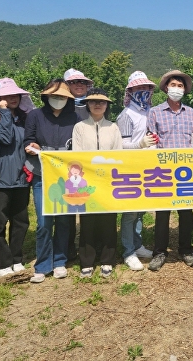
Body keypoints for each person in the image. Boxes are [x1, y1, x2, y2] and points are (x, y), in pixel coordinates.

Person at [24, 79, 78, 283]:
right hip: (41, 174)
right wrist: (30, 145)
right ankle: (42, 264)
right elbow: (27, 139)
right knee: (44, 220)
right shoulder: (35, 116)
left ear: (68, 99)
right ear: (46, 97)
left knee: (64, 219)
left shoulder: (74, 118)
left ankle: (60, 261)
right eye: (54, 96)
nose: (58, 100)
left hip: (66, 176)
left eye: (62, 97)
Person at [146, 70, 193, 271]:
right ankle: (159, 252)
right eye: (173, 85)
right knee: (162, 213)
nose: (176, 88)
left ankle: (185, 250)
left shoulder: (191, 113)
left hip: (186, 172)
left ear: (185, 90)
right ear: (166, 88)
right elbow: (152, 142)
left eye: (180, 85)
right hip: (163, 171)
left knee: (187, 213)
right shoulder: (155, 112)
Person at [0, 78, 34, 277]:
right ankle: (2, 263)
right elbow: (5, 138)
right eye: (7, 95)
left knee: (21, 221)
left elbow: (28, 140)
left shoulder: (25, 118)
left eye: (15, 94)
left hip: (21, 177)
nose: (13, 98)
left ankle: (16, 258)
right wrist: (4, 112)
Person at [72, 88, 123, 278]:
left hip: (108, 181)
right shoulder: (79, 127)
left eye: (102, 102)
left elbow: (118, 154)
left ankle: (108, 260)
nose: (98, 104)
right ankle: (86, 261)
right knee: (87, 221)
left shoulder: (113, 127)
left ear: (107, 105)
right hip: (86, 182)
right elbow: (77, 155)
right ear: (87, 104)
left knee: (109, 221)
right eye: (93, 101)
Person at [116, 71, 157, 271]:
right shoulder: (126, 115)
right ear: (130, 91)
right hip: (131, 167)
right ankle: (128, 251)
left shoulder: (149, 110)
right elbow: (121, 144)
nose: (143, 91)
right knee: (130, 212)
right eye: (138, 88)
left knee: (140, 210)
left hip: (148, 166)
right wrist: (140, 144)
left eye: (146, 88)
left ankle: (138, 244)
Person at [63, 68, 94, 259]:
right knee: (66, 210)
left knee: (87, 208)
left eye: (82, 82)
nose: (79, 85)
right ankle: (66, 249)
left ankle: (88, 246)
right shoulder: (61, 106)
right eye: (74, 82)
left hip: (88, 167)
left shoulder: (92, 106)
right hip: (66, 166)